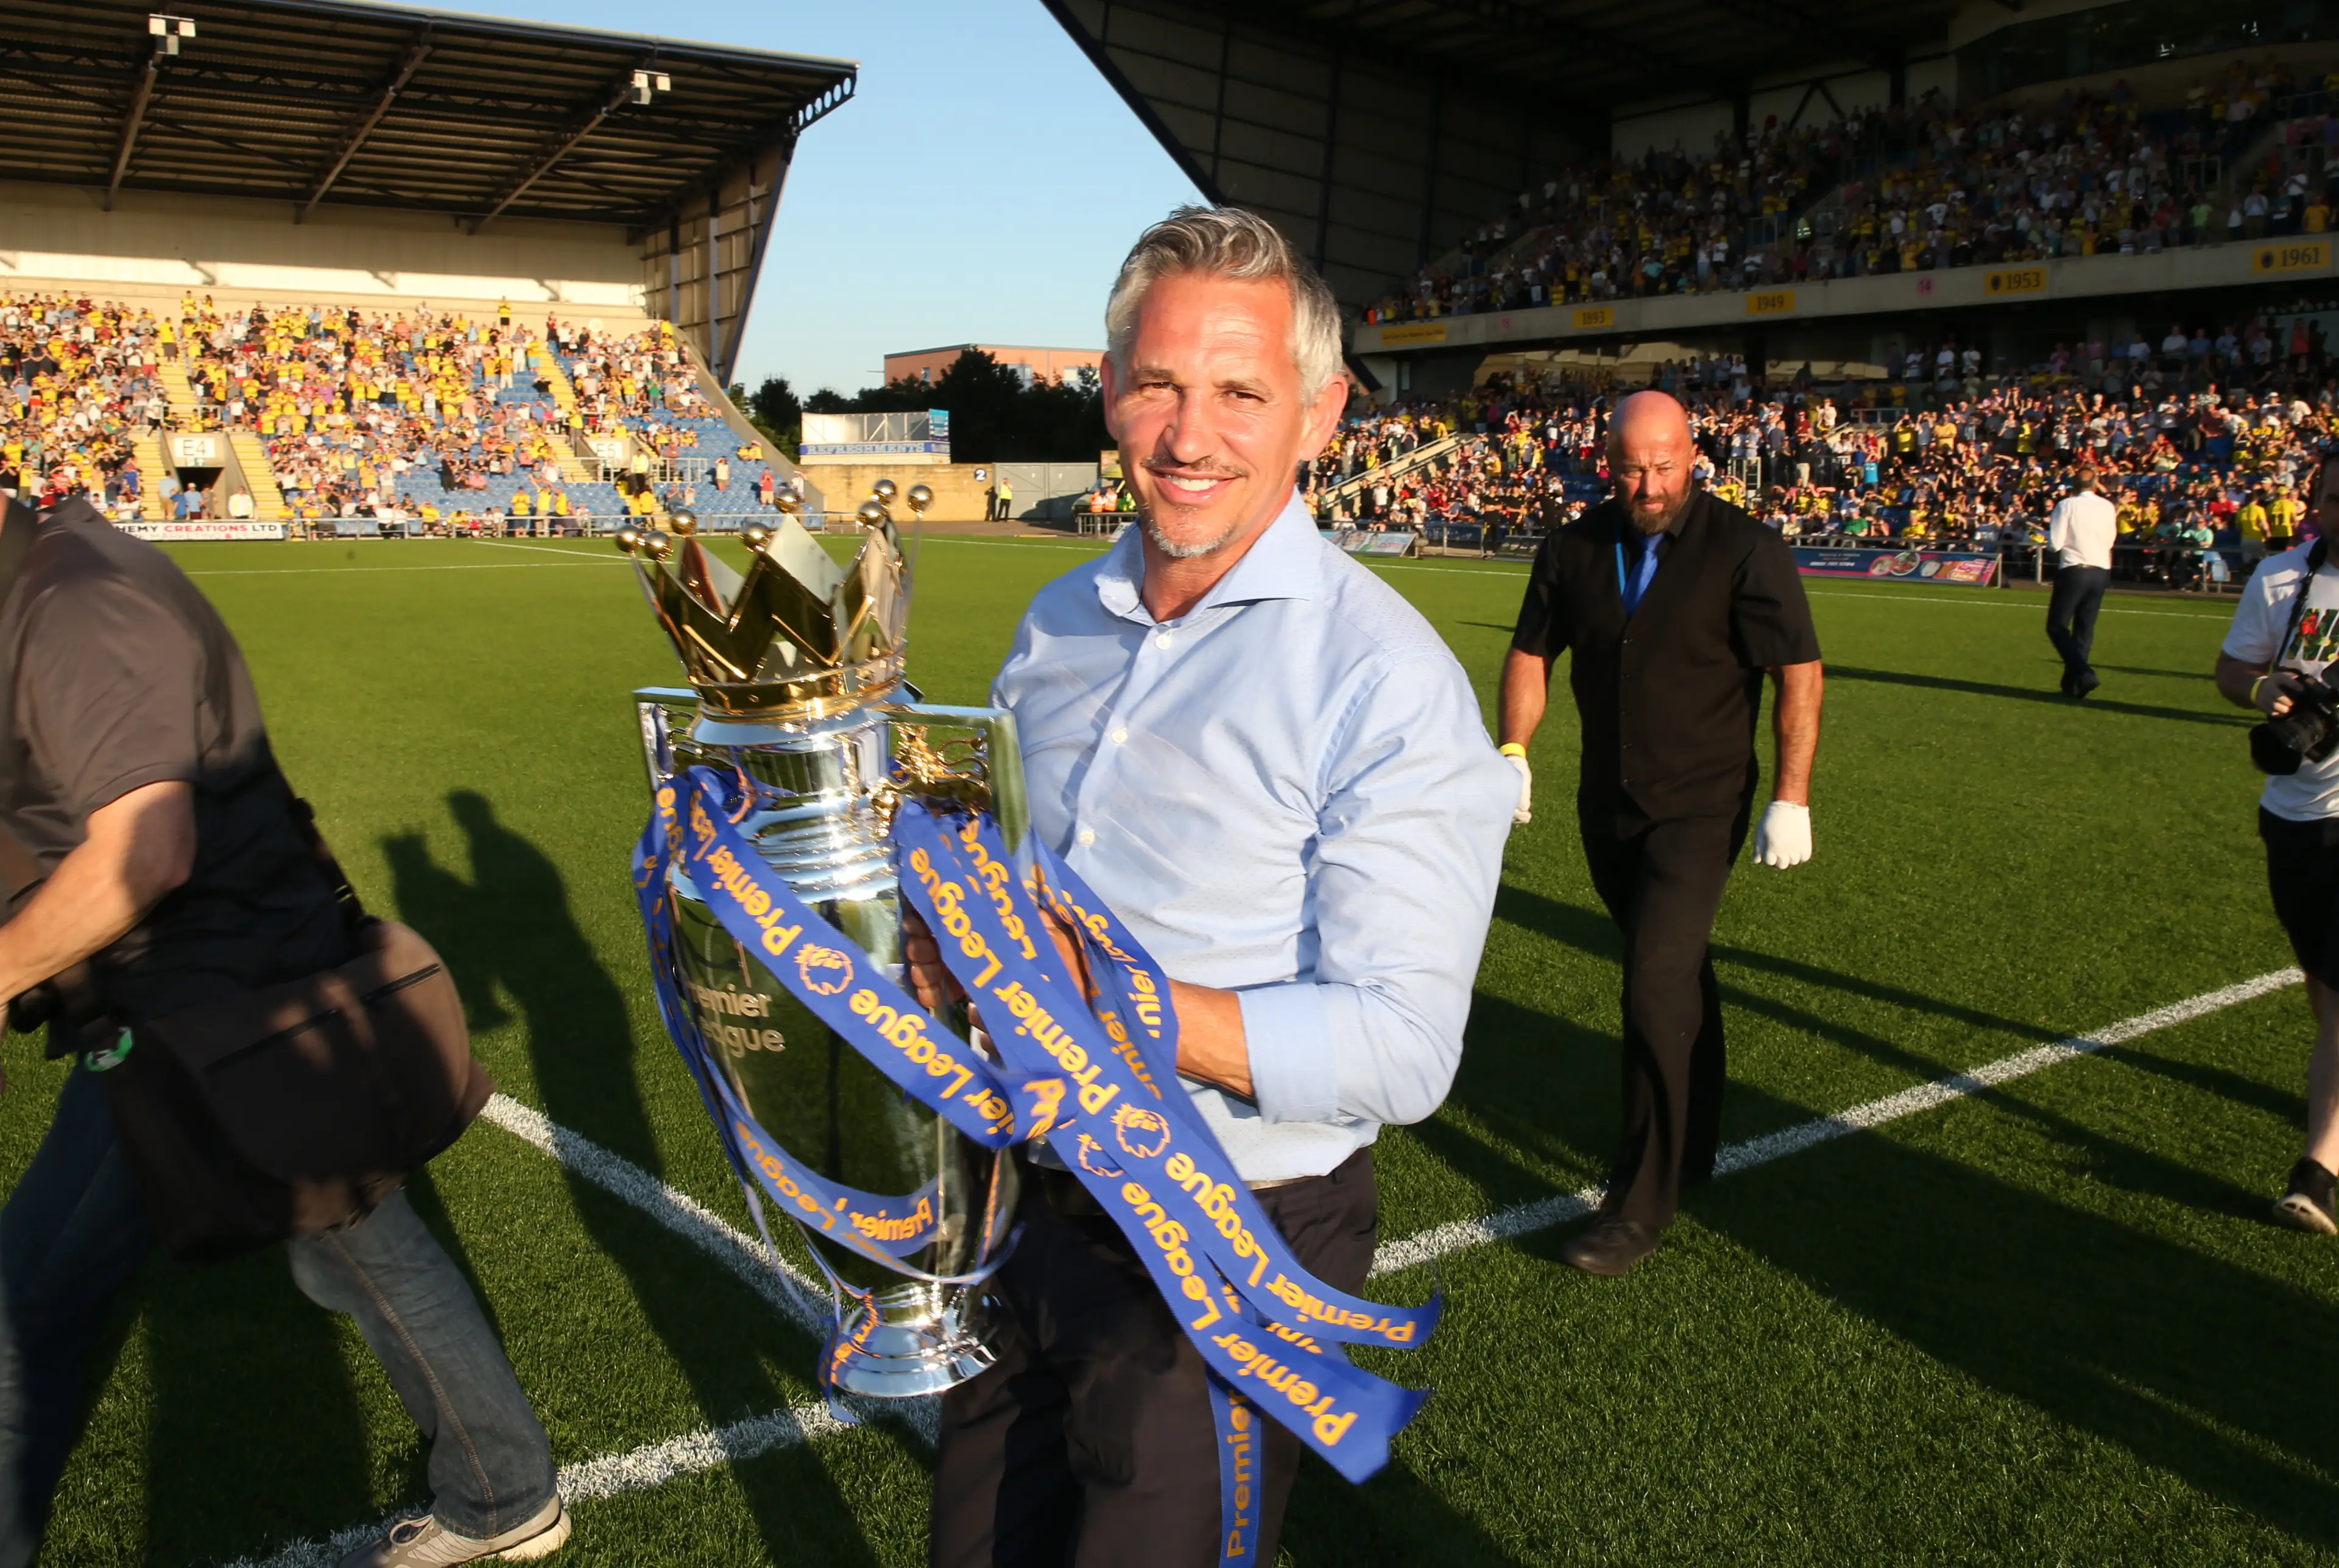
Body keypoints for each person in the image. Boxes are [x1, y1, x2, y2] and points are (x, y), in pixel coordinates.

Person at [917, 206, 1516, 1567]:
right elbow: (1009, 876)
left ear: (1319, 414)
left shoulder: (1387, 681)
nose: (1191, 437)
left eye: (1241, 392)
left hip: (1226, 1235)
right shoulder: (1056, 618)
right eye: (1159, 385)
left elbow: (1404, 1048)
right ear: (1112, 389)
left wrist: (1104, 1001)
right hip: (1017, 1197)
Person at [0, 483, 570, 1568]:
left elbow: (144, 851)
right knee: (358, 1250)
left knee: (26, 1306)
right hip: (223, 999)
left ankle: (507, 1495)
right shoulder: (42, 582)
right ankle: (504, 1494)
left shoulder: (76, 600)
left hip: (211, 1010)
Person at [1500, 390, 1824, 1277]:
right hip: (1608, 806)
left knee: (1651, 982)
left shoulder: (1746, 548)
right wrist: (1514, 747)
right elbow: (1532, 649)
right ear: (1608, 461)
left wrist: (1791, 794)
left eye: (1666, 464)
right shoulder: (1574, 545)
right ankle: (1700, 1135)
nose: (1650, 484)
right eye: (1633, 467)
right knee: (1673, 967)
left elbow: (1798, 672)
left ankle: (1640, 1200)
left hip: (1702, 805)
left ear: (1694, 455)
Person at [2215, 468, 2339, 1233]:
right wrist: (2263, 692)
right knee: (2324, 992)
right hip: (2294, 813)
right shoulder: (2281, 574)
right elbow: (2232, 670)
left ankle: (2318, 1170)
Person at [2044, 468, 2118, 697]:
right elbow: (2110, 539)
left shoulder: (2066, 505)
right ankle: (2073, 687)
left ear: (2073, 485)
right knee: (2085, 629)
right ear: (2096, 484)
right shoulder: (2107, 506)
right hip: (2100, 569)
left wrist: (2044, 538)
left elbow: (2056, 543)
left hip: (2075, 568)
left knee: (2057, 626)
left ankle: (2084, 672)